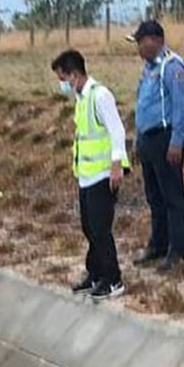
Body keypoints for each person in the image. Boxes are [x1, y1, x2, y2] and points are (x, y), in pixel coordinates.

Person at [52, 50, 130, 300]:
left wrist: (116, 166)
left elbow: (117, 131)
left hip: (103, 174)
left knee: (100, 229)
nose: (62, 84)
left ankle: (113, 279)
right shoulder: (81, 98)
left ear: (74, 75)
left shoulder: (100, 96)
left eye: (63, 78)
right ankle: (95, 274)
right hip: (87, 175)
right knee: (89, 227)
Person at [128, 20, 184, 273]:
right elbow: (143, 104)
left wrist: (176, 142)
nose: (139, 49)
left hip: (166, 139)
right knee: (154, 197)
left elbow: (179, 108)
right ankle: (159, 244)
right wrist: (137, 139)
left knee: (172, 196)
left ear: (155, 40)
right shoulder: (148, 68)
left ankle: (179, 249)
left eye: (141, 43)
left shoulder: (172, 66)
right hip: (148, 140)